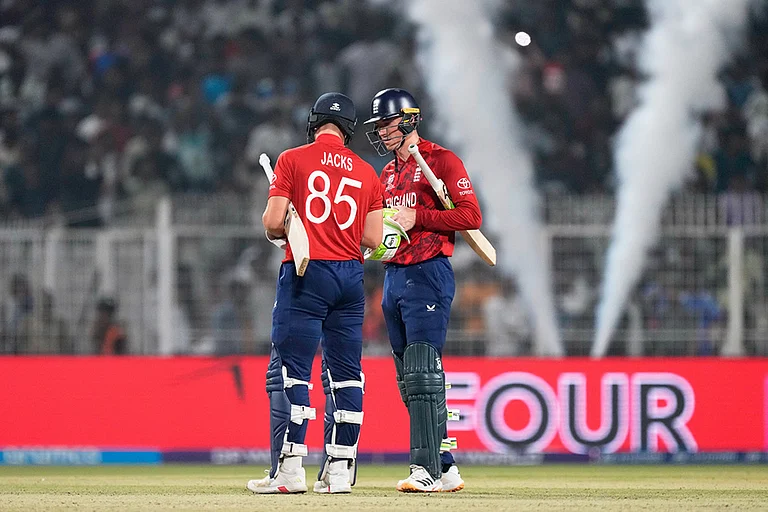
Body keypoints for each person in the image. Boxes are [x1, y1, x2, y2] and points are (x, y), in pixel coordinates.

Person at [246, 92, 384, 495]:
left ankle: (290, 471)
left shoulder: (292, 159)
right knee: (346, 375)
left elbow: (273, 222)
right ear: (349, 129)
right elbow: (373, 238)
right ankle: (339, 470)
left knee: (292, 371)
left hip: (307, 273)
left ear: (314, 121)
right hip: (350, 278)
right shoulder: (368, 172)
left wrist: (286, 224)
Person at [363, 88, 485, 493]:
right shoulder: (387, 173)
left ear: (409, 120)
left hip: (428, 271)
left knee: (422, 373)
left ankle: (425, 469)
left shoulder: (442, 161)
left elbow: (471, 215)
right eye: (379, 126)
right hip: (393, 275)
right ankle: (446, 467)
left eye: (387, 124)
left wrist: (419, 216)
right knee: (411, 380)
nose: (382, 132)